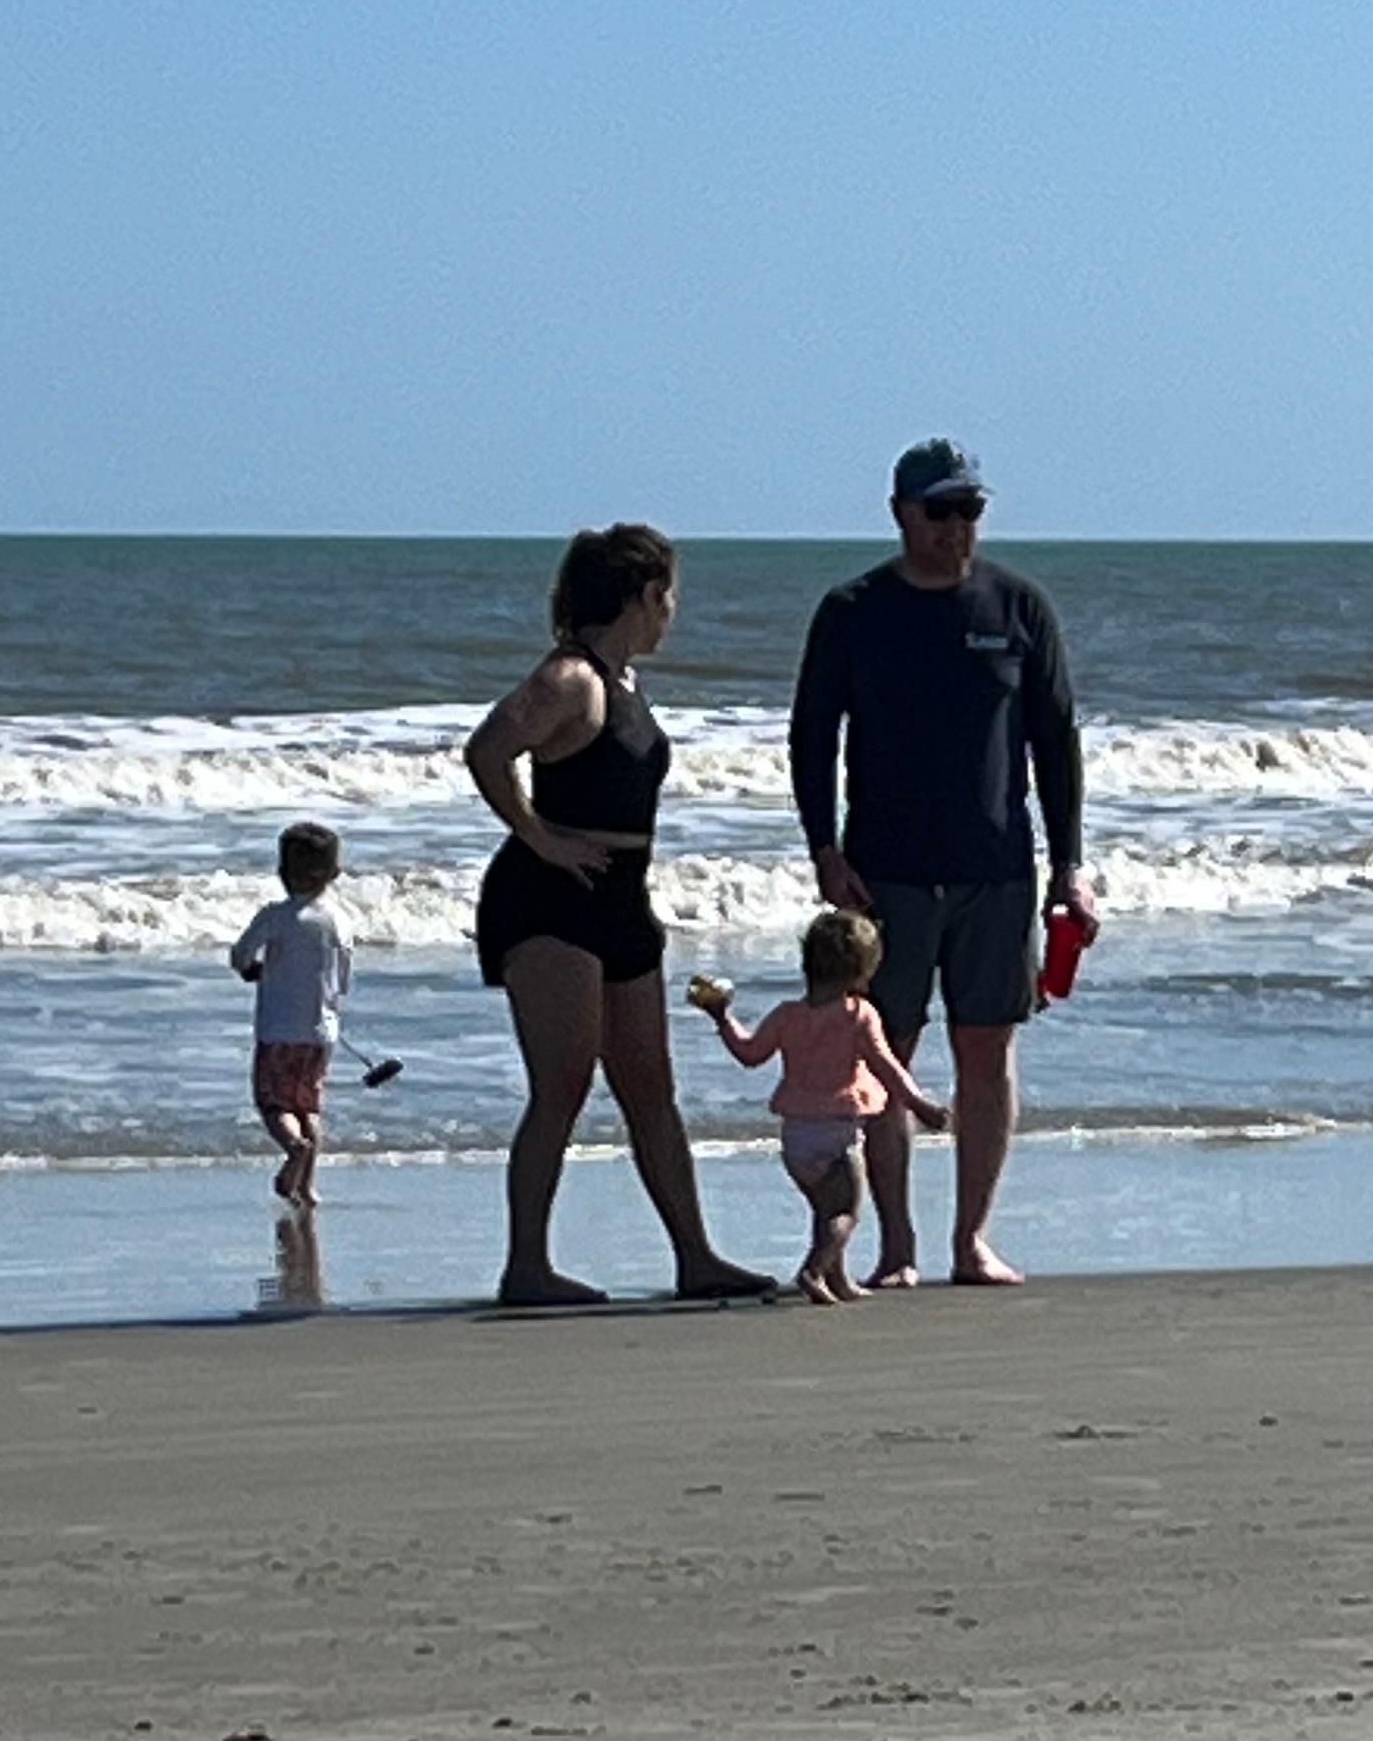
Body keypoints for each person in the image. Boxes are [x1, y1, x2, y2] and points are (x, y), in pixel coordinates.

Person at [789, 440, 1097, 1286]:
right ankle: (896, 1244)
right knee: (884, 1052)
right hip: (883, 872)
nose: (958, 528)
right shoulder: (854, 610)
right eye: (941, 511)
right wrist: (824, 849)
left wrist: (1069, 867)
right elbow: (812, 738)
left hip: (995, 868)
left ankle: (972, 1240)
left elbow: (1055, 744)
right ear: (902, 513)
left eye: (971, 511)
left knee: (987, 1049)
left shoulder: (1019, 607)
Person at [464, 523, 772, 1311]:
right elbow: (487, 749)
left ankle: (696, 1256)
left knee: (649, 1087)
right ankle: (525, 1267)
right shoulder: (574, 677)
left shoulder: (626, 681)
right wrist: (539, 837)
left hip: (622, 898)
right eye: (669, 596)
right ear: (643, 595)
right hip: (548, 902)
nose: (674, 612)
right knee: (562, 1084)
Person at [687, 910, 953, 1304]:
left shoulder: (786, 1016)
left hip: (796, 1139)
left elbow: (749, 1054)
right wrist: (920, 1104)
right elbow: (889, 1069)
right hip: (837, 1133)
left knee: (824, 1211)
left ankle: (838, 1281)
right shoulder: (859, 1016)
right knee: (845, 1212)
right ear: (862, 974)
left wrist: (724, 1018)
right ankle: (813, 1271)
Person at [229, 819, 351, 1207]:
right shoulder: (338, 920)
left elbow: (241, 955)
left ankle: (292, 1149)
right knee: (308, 1106)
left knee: (276, 1105)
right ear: (334, 874)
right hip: (321, 1033)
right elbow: (343, 976)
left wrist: (253, 970)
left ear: (282, 871)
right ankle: (306, 1185)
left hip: (278, 1031)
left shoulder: (276, 916)